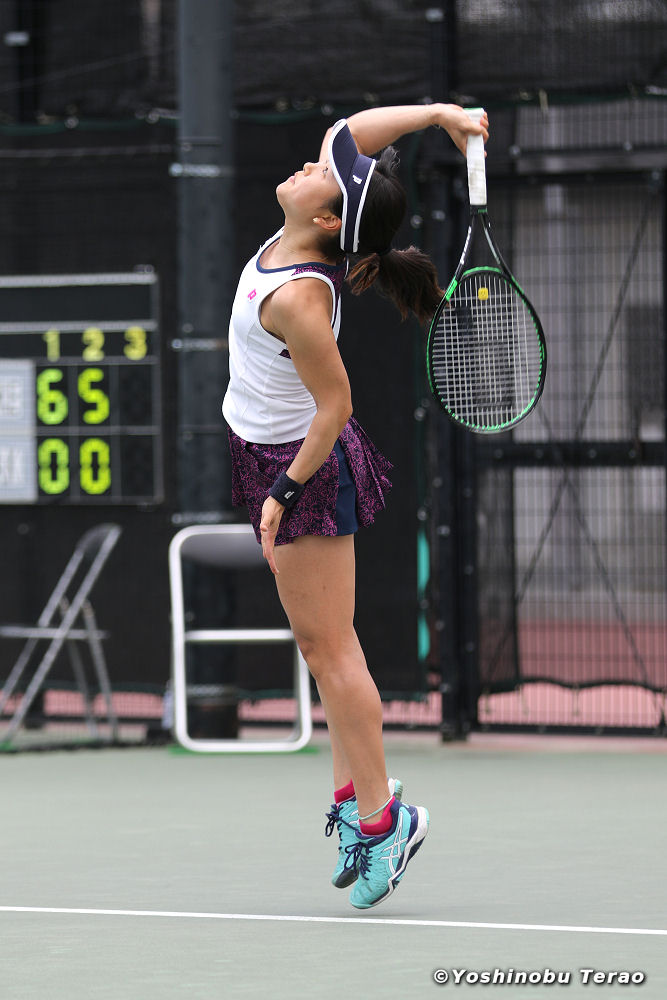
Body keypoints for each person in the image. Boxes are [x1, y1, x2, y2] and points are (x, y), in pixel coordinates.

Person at [222, 104, 488, 909]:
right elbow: (350, 130)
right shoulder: (311, 229)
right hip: (267, 453)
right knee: (322, 648)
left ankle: (383, 821)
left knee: (331, 650)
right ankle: (353, 800)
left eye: (321, 173)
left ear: (331, 218)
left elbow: (334, 407)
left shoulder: (300, 297)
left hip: (298, 465)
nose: (312, 162)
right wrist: (439, 115)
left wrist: (281, 493)